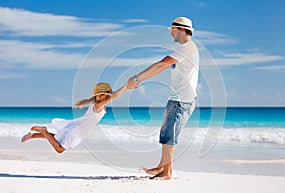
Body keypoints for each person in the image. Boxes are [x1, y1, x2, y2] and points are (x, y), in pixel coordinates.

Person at [127, 17, 199, 180]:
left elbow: (161, 65)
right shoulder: (187, 49)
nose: (171, 34)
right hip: (178, 99)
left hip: (182, 101)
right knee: (166, 134)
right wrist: (139, 79)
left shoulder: (186, 49)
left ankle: (167, 173)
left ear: (181, 30)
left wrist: (137, 78)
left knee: (169, 137)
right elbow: (160, 68)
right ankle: (163, 168)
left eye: (172, 30)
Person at [21, 83, 128, 153]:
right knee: (60, 149)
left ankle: (34, 135)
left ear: (106, 95)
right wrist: (127, 85)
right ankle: (43, 131)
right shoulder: (98, 105)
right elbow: (116, 96)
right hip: (77, 130)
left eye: (102, 94)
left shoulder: (99, 105)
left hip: (78, 128)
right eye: (98, 95)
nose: (99, 96)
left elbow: (114, 95)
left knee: (58, 138)